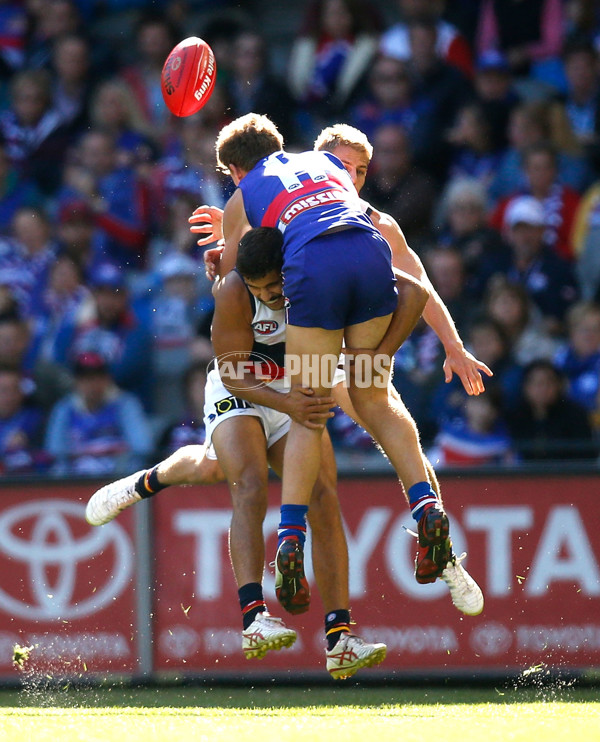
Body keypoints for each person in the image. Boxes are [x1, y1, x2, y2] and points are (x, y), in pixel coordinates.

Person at [192, 116, 486, 616]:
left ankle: (290, 536)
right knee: (379, 399)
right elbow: (416, 287)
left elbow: (234, 280)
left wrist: (221, 254)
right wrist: (427, 349)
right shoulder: (332, 174)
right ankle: (427, 509)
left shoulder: (247, 195)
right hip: (367, 264)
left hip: (316, 302)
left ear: (237, 170)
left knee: (308, 406)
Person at [87, 227, 388, 680]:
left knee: (321, 494)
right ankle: (254, 620)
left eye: (274, 285)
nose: (269, 295)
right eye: (260, 290)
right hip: (244, 388)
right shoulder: (233, 291)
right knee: (247, 483)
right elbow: (231, 373)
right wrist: (290, 403)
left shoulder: (317, 278)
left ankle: (340, 637)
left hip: (294, 388)